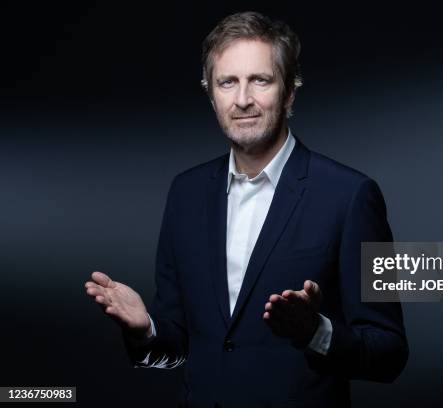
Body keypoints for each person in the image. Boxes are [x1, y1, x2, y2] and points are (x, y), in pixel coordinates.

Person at [84, 11, 408, 408]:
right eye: (227, 82)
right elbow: (183, 344)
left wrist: (315, 332)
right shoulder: (185, 193)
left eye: (260, 80)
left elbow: (389, 352)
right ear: (210, 92)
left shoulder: (352, 195)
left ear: (289, 91)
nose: (242, 100)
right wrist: (146, 330)